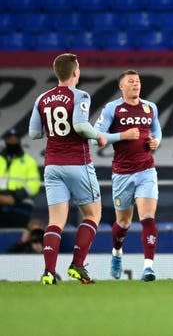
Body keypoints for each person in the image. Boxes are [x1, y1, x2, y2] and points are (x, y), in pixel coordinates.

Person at [28, 52, 112, 285]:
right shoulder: (80, 95)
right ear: (75, 72)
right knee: (93, 215)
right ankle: (77, 265)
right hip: (77, 163)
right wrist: (99, 136)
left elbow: (34, 133)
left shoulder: (42, 99)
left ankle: (48, 272)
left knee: (55, 221)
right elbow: (80, 126)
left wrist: (55, 131)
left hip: (52, 165)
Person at [93, 69, 161, 282]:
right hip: (122, 173)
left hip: (146, 170)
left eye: (138, 81)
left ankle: (148, 267)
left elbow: (157, 130)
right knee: (123, 223)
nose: (136, 84)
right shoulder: (113, 108)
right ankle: (116, 253)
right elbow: (97, 137)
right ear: (122, 86)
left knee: (148, 218)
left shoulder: (150, 107)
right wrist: (122, 135)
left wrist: (156, 141)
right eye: (131, 81)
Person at [0, 128, 42, 228]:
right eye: (10, 139)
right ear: (6, 141)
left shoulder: (29, 161)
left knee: (17, 232)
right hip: (0, 202)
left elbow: (34, 184)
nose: (13, 142)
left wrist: (14, 197)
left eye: (15, 139)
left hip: (21, 204)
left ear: (19, 141)